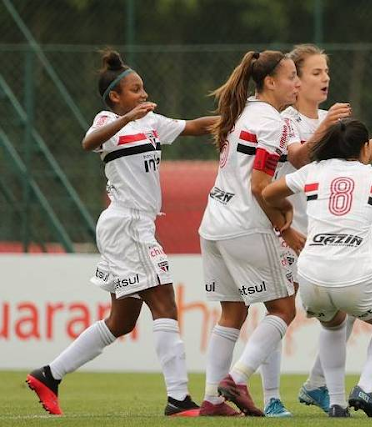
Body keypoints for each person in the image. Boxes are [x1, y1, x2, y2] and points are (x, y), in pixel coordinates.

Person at [25, 50, 216, 417]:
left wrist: (238, 120)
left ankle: (49, 375)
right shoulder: (110, 119)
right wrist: (127, 117)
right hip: (127, 224)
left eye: (143, 89)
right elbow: (88, 142)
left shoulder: (151, 123)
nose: (143, 95)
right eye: (135, 89)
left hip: (133, 225)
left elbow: (193, 126)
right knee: (164, 302)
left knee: (122, 320)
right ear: (116, 96)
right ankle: (178, 398)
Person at [263, 118, 372, 418]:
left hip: (312, 273)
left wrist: (285, 212)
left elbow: (268, 193)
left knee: (333, 324)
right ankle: (365, 387)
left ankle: (338, 403)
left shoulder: (312, 171)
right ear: (366, 149)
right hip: (356, 273)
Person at [197, 50, 302, 417]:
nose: (298, 83)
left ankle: (211, 400)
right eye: (291, 76)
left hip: (213, 224)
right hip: (245, 224)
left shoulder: (241, 112)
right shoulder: (274, 122)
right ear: (270, 81)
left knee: (233, 313)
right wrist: (283, 221)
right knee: (283, 307)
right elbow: (260, 186)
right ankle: (238, 379)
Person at [257, 44, 351, 417]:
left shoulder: (331, 118)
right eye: (314, 72)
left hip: (325, 234)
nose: (324, 78)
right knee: (280, 312)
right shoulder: (286, 121)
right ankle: (270, 396)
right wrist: (327, 129)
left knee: (349, 304)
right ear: (294, 81)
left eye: (325, 71)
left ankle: (316, 384)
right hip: (289, 229)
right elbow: (296, 160)